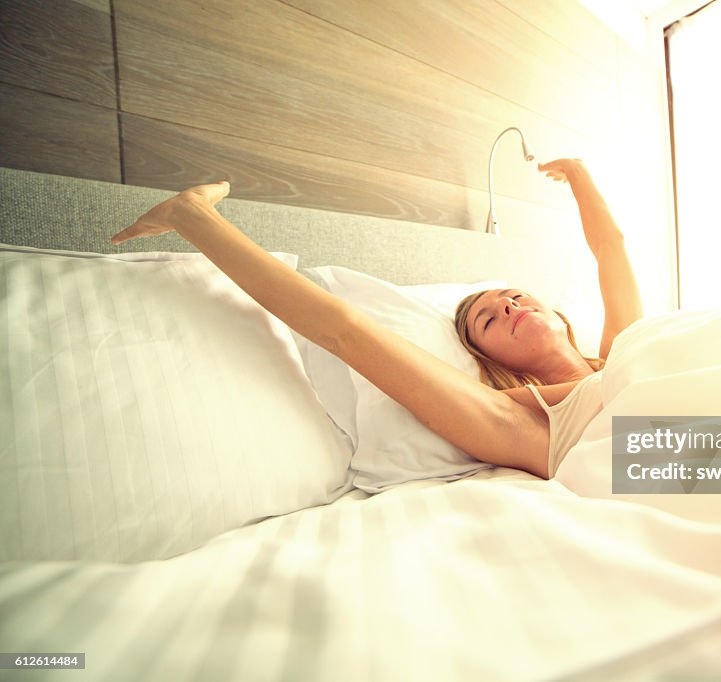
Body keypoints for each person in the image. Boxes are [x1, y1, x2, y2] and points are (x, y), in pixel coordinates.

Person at [111, 158, 642, 480]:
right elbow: (344, 331)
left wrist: (576, 171)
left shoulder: (625, 353)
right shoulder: (516, 424)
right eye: (487, 319)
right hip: (679, 452)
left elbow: (612, 249)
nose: (508, 306)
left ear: (558, 314)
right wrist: (195, 218)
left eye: (517, 297)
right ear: (487, 359)